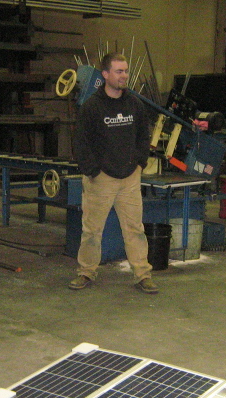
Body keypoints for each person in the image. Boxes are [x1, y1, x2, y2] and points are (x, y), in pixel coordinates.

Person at [68, 52, 158, 294]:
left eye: (126, 71)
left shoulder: (135, 104)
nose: (124, 76)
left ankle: (143, 274)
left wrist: (139, 164)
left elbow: (144, 136)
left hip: (130, 178)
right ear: (105, 74)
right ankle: (86, 272)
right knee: (91, 231)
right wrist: (93, 171)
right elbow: (81, 142)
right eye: (119, 71)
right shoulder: (92, 106)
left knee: (135, 229)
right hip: (101, 179)